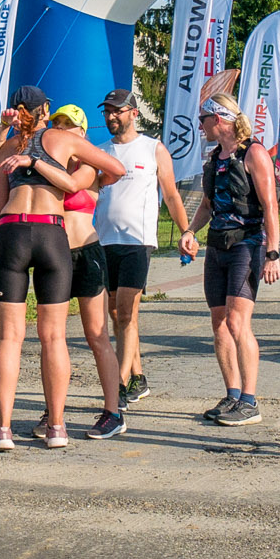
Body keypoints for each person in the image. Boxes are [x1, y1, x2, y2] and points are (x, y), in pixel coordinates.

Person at [0, 85, 123, 451]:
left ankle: (2, 430)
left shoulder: (9, 150)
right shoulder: (62, 139)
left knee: (9, 338)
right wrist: (82, 174)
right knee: (53, 337)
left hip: (11, 231)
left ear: (16, 112)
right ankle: (57, 426)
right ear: (46, 109)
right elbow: (117, 168)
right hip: (51, 232)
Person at [178, 92, 280, 427]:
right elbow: (208, 205)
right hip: (217, 246)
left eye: (203, 119)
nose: (200, 125)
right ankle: (233, 394)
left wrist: (273, 253)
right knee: (219, 323)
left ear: (218, 119)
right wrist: (191, 230)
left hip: (246, 245)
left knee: (238, 323)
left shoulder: (254, 153)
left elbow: (270, 206)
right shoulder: (214, 159)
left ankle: (250, 401)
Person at [96, 88, 189, 407]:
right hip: (104, 240)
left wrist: (186, 231)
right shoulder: (100, 151)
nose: (110, 116)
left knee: (126, 313)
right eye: (107, 111)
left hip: (137, 241)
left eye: (117, 111)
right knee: (113, 312)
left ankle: (120, 384)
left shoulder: (153, 149)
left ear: (133, 113)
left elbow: (172, 194)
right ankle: (137, 377)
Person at [51, 106, 127, 440]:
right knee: (54, 337)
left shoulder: (89, 165)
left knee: (96, 335)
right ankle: (54, 409)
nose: (64, 130)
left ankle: (113, 410)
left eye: (70, 125)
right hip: (54, 253)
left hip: (86, 252)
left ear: (82, 132)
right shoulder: (49, 165)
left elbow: (80, 183)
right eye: (58, 125)